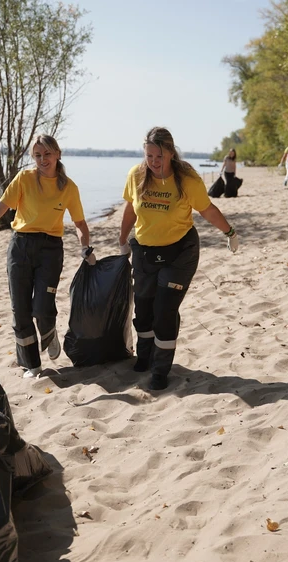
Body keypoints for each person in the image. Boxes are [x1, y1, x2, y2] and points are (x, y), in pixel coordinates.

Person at [0, 134, 96, 378]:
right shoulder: (24, 178)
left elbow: (79, 222)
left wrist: (85, 247)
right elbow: (0, 207)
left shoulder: (68, 187)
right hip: (20, 247)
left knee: (42, 307)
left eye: (48, 154)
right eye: (38, 155)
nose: (43, 160)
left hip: (51, 250)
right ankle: (32, 365)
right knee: (20, 310)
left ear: (58, 155)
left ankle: (48, 331)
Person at [118, 126, 239, 391]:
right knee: (144, 308)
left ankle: (160, 370)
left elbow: (207, 209)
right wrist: (122, 238)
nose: (153, 162)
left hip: (179, 253)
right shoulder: (137, 175)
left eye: (159, 156)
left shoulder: (187, 179)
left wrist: (229, 231)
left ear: (171, 153)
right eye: (149, 156)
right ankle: (145, 355)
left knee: (164, 311)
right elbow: (130, 208)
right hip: (145, 251)